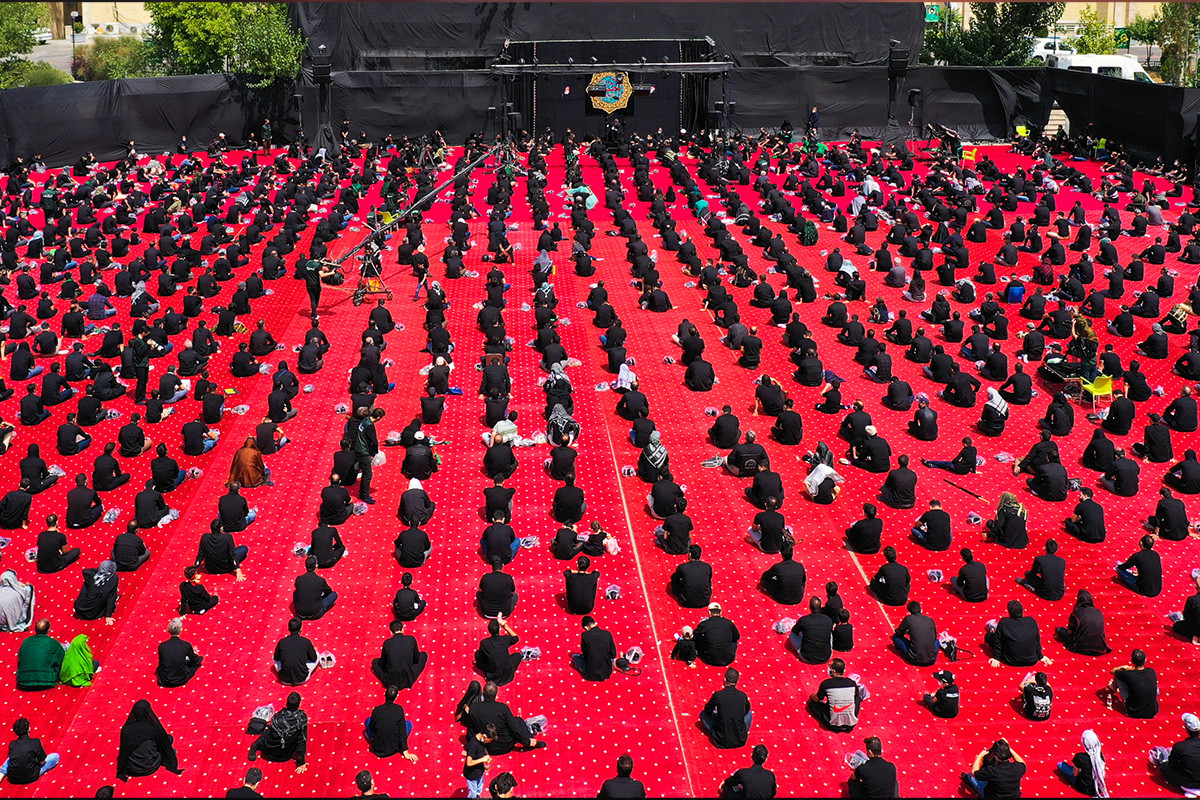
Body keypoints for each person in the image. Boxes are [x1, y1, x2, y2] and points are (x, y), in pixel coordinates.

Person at [465, 681, 546, 755]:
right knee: (518, 720)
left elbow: (471, 729)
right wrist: (526, 741)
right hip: (506, 745)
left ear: (484, 693)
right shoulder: (503, 708)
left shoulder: (474, 708)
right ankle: (530, 743)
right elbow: (515, 729)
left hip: (486, 746)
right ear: (496, 694)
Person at [116, 700, 181, 781]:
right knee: (168, 740)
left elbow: (124, 750)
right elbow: (163, 742)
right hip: (150, 766)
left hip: (133, 768)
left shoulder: (126, 729)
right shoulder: (152, 727)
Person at [248, 692, 308, 773]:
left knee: (268, 731)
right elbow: (302, 740)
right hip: (285, 755)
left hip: (269, 752)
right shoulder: (302, 719)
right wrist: (301, 762)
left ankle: (256, 744)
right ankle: (256, 745)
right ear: (299, 704)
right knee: (297, 734)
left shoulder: (277, 717)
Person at [986, 600, 1052, 668]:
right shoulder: (1031, 621)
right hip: (1031, 659)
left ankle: (993, 628)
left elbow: (998, 641)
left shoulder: (1004, 622)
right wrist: (1040, 656)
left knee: (989, 636)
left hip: (1011, 660)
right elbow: (1037, 640)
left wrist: (996, 658)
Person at [701, 668, 752, 749]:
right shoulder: (742, 696)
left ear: (724, 679)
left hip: (721, 740)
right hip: (740, 740)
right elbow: (747, 710)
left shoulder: (718, 695)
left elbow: (707, 710)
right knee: (749, 713)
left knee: (703, 714)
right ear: (737, 681)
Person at [0, 717, 60, 785]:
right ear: (28, 729)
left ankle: (1, 773)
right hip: (31, 776)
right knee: (55, 756)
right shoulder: (35, 742)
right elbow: (42, 761)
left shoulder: (12, 744)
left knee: (12, 758)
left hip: (13, 778)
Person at [365, 686, 418, 762]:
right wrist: (405, 752)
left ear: (385, 694)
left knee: (368, 720)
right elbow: (402, 730)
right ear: (396, 697)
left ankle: (369, 736)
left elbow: (372, 727)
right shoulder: (399, 709)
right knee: (408, 724)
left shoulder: (377, 710)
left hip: (378, 748)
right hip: (394, 747)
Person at [372, 619, 428, 690]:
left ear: (391, 632)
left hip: (391, 681)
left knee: (375, 662)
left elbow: (382, 664)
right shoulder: (411, 639)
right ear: (402, 629)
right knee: (423, 655)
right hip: (409, 677)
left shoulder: (387, 643)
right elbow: (416, 659)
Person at [808, 658, 861, 732]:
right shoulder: (852, 683)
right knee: (857, 696)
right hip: (851, 725)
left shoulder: (826, 684)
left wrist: (812, 696)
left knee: (812, 703)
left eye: (829, 666)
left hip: (833, 725)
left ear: (834, 671)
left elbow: (817, 699)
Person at [1151, 713, 1200, 794]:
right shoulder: (1181, 746)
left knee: (1164, 766)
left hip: (1189, 782)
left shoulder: (1180, 746)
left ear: (1186, 729)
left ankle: (1185, 788)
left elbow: (1172, 764)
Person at [1056, 589, 1111, 656]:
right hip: (1099, 646)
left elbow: (1070, 632)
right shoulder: (1098, 612)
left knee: (1060, 630)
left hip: (1081, 645)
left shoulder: (1076, 613)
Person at [1109, 648, 1159, 719]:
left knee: (1119, 677)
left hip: (1134, 712)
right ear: (1145, 660)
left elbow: (1112, 671)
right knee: (1150, 682)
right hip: (1152, 711)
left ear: (1132, 660)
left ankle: (1113, 687)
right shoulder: (1151, 672)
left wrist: (1124, 667)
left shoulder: (1128, 674)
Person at [1058, 730, 1109, 798]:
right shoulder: (1100, 755)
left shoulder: (1080, 757)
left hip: (1084, 788)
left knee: (1061, 765)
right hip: (1099, 788)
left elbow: (1075, 774)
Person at [475, 616, 523, 686]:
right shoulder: (504, 640)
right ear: (499, 629)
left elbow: (481, 657)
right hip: (507, 673)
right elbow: (515, 638)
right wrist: (505, 626)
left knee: (478, 654)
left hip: (493, 675)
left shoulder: (484, 642)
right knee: (517, 655)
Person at [16, 619, 63, 690]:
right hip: (47, 681)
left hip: (24, 681)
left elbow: (20, 656)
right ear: (48, 630)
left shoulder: (26, 641)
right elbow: (61, 659)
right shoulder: (53, 642)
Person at [156, 618, 203, 687]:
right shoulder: (185, 645)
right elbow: (194, 659)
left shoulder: (162, 646)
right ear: (181, 630)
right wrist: (196, 655)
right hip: (181, 679)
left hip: (165, 679)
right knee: (197, 662)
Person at [273, 618, 318, 686]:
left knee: (275, 657)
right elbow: (314, 658)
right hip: (302, 678)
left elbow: (276, 658)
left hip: (284, 679)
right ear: (300, 629)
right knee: (317, 654)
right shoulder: (305, 641)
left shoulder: (282, 642)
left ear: (289, 629)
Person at [892, 601, 938, 666]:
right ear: (921, 609)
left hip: (914, 659)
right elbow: (934, 638)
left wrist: (908, 632)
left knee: (895, 637)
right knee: (936, 641)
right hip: (931, 660)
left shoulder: (908, 619)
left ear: (909, 612)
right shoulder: (930, 620)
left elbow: (899, 633)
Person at [293, 555, 337, 620]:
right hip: (315, 614)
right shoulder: (320, 580)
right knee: (334, 594)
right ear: (316, 566)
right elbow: (329, 591)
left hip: (300, 614)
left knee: (296, 592)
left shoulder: (299, 579)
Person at [574, 616, 617, 682]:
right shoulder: (608, 634)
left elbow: (585, 654)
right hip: (606, 672)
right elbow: (613, 654)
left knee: (575, 656)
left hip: (590, 673)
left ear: (586, 627)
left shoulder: (585, 635)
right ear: (595, 623)